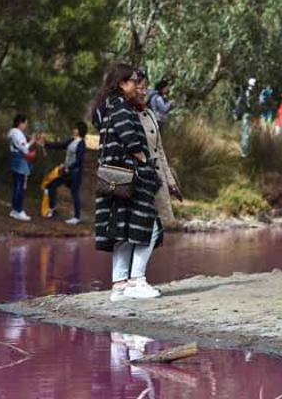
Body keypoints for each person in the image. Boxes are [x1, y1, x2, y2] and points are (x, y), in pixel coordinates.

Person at [92, 63, 163, 302]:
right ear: (122, 83)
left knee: (120, 230)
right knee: (149, 227)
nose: (138, 86)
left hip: (114, 178)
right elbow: (130, 139)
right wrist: (144, 162)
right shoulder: (122, 108)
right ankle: (136, 281)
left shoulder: (106, 107)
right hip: (131, 176)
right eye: (134, 81)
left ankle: (120, 285)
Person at [134, 69, 182, 224]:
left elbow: (160, 152)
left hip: (155, 184)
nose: (144, 92)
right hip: (132, 189)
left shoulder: (149, 116)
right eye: (140, 87)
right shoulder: (121, 115)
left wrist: (171, 182)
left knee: (155, 232)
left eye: (145, 87)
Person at [43, 121, 88, 224]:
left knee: (75, 193)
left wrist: (70, 167)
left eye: (76, 128)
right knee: (51, 186)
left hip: (75, 173)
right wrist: (46, 143)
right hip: (66, 171)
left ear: (80, 130)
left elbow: (80, 160)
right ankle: (51, 209)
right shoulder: (72, 140)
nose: (74, 130)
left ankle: (76, 217)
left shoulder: (81, 144)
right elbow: (59, 145)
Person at [8, 114, 39, 221]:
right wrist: (31, 142)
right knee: (20, 186)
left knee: (17, 185)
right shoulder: (17, 134)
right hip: (20, 161)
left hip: (16, 159)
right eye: (25, 123)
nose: (25, 126)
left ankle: (14, 209)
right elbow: (24, 148)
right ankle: (19, 210)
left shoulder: (13, 133)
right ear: (21, 123)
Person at [236, 78, 257, 157]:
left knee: (246, 133)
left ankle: (245, 151)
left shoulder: (246, 91)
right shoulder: (249, 92)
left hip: (247, 114)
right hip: (247, 114)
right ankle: (244, 153)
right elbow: (249, 104)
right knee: (246, 133)